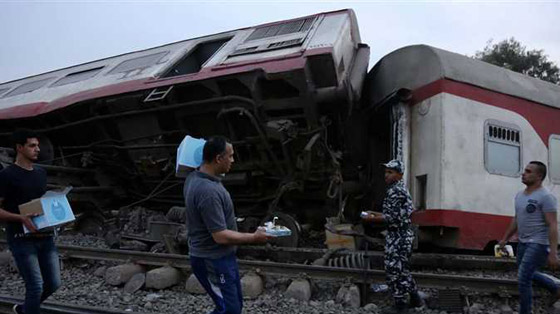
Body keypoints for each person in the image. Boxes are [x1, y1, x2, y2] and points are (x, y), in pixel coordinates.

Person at [183, 136, 272, 314]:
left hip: (220, 257)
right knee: (229, 309)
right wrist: (254, 237)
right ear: (218, 158)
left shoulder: (193, 177)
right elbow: (220, 236)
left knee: (232, 306)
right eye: (230, 156)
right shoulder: (208, 191)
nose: (233, 160)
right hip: (212, 259)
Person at [0, 129, 61, 314]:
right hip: (21, 238)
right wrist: (20, 218)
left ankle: (24, 310)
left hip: (45, 236)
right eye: (32, 146)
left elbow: (40, 204)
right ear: (19, 148)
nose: (38, 149)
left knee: (53, 284)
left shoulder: (41, 173)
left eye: (38, 145)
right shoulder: (6, 175)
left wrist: (57, 214)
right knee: (35, 286)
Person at [362, 159, 423, 314]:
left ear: (399, 175)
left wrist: (371, 218)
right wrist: (376, 214)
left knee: (393, 270)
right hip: (402, 235)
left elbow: (391, 218)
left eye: (390, 172)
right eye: (386, 172)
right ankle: (415, 299)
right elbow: (393, 214)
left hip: (398, 237)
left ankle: (400, 305)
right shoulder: (399, 189)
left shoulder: (395, 191)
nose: (386, 175)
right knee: (402, 270)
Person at [499, 161, 559, 314]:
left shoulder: (546, 197)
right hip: (523, 242)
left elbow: (552, 224)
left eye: (528, 171)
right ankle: (556, 288)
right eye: (525, 170)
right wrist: (505, 239)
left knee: (523, 278)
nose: (523, 173)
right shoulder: (519, 195)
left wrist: (553, 253)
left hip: (538, 243)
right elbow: (517, 219)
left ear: (539, 176)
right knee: (526, 273)